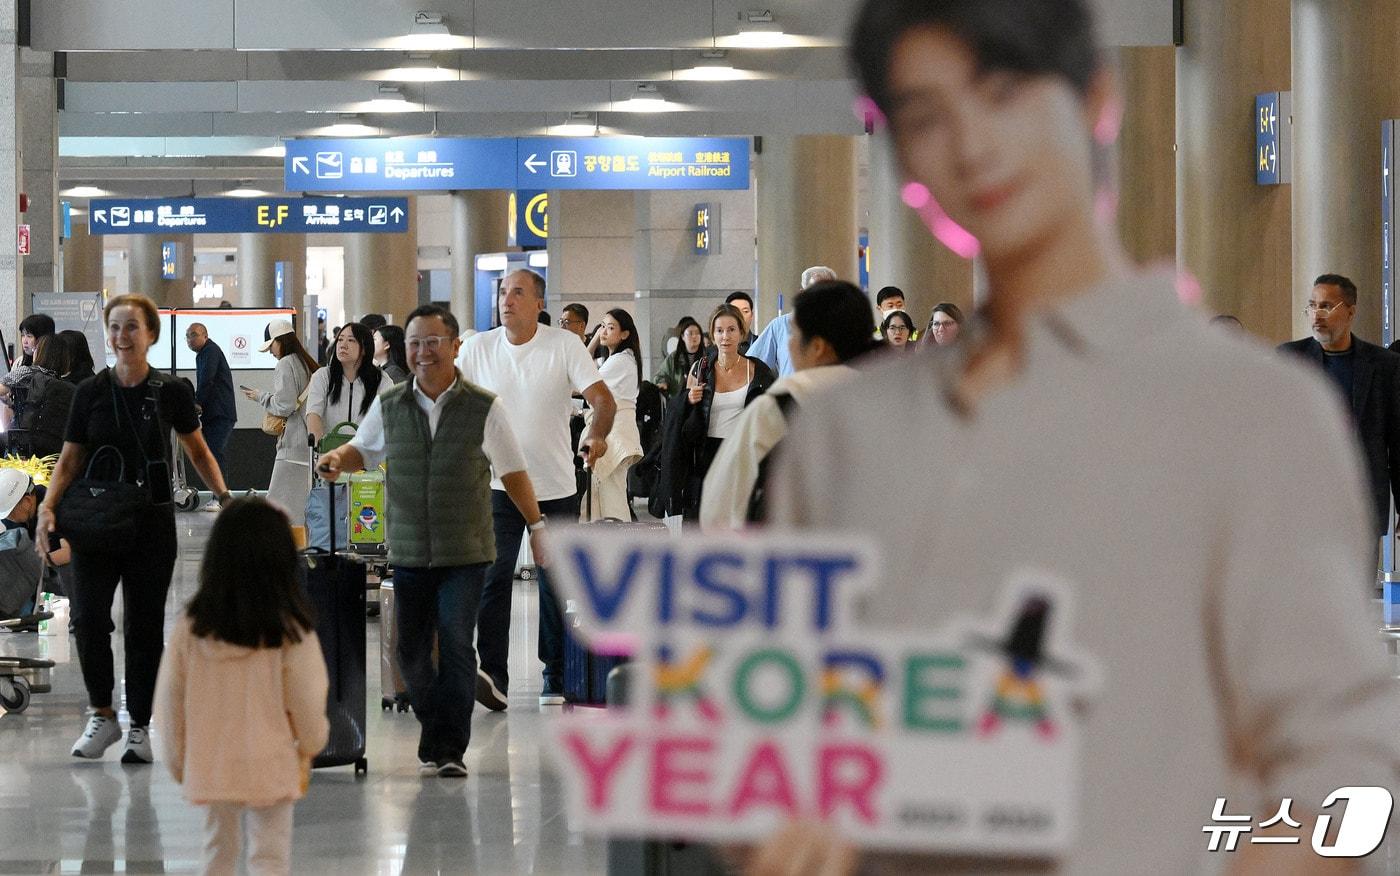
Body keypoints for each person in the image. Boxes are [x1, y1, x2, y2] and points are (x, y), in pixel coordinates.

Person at [756, 1, 1400, 872]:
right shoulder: (847, 436)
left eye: (1004, 91)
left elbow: (1342, 769)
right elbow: (802, 720)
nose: (972, 143)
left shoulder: (1253, 412)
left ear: (1095, 97)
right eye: (924, 116)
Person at [320, 304, 547, 775]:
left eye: (432, 342)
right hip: (408, 549)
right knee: (411, 652)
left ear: (454, 347)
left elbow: (514, 472)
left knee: (458, 643)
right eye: (414, 344)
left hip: (465, 549)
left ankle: (449, 750)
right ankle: (436, 726)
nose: (422, 353)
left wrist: (538, 527)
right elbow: (364, 449)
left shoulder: (484, 407)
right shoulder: (391, 404)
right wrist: (339, 457)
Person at [36, 294, 232, 765]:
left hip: (149, 523)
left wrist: (225, 499)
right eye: (116, 327)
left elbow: (198, 450)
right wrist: (48, 507)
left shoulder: (170, 392)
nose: (122, 336)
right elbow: (70, 458)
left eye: (132, 327)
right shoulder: (91, 393)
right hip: (95, 521)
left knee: (143, 626)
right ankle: (102, 713)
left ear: (150, 335)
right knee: (88, 619)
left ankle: (139, 726)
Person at [456, 269, 616, 708]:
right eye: (503, 292)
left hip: (555, 483)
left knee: (556, 584)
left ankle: (558, 674)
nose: (507, 300)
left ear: (539, 303)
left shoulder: (563, 345)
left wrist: (597, 434)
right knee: (493, 576)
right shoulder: (477, 348)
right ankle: (493, 675)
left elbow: (603, 399)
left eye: (518, 293)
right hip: (496, 484)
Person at [153, 498, 329, 875]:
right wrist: (312, 744)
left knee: (217, 852)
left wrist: (177, 760)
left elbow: (170, 700)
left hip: (211, 762)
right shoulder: (291, 629)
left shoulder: (192, 626)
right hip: (273, 763)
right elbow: (309, 699)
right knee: (270, 857)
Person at [700, 280, 876, 530]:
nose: (790, 344)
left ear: (817, 348)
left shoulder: (776, 408)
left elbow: (720, 506)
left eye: (794, 335)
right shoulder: (888, 405)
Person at [1279, 273, 1400, 541]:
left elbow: (1397, 443)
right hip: (1301, 505)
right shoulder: (1289, 359)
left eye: (1326, 306)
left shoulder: (1385, 366)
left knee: (1356, 583)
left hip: (1360, 506)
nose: (1316, 314)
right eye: (1312, 305)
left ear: (1350, 311)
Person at [653, 304, 775, 522]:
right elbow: (678, 412)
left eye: (731, 330)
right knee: (705, 524)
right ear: (712, 333)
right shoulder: (701, 368)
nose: (725, 336)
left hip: (742, 454)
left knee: (740, 522)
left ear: (741, 333)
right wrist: (688, 399)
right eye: (719, 330)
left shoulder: (758, 370)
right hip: (704, 456)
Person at [243, 319, 318, 526]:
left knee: (276, 503)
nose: (270, 352)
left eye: (271, 346)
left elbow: (284, 405)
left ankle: (274, 547)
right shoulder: (305, 362)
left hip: (293, 446)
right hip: (308, 444)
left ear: (280, 340)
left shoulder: (285, 364)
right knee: (301, 504)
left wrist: (261, 396)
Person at [582, 309, 645, 520]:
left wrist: (590, 344)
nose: (604, 332)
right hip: (613, 433)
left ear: (625, 334)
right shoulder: (615, 360)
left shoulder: (621, 361)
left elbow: (581, 381)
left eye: (610, 327)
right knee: (604, 494)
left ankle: (618, 544)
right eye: (602, 326)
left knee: (612, 497)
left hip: (615, 433)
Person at [305, 322, 387, 449]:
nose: (343, 345)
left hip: (367, 457)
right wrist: (320, 447)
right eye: (340, 339)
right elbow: (313, 415)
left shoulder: (380, 379)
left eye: (351, 340)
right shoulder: (323, 376)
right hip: (330, 455)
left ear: (364, 348)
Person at [748, 265, 838, 378]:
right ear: (802, 294)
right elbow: (752, 365)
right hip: (791, 394)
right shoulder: (780, 326)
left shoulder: (842, 327)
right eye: (814, 292)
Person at [185, 323, 237, 509]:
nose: (189, 340)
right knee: (213, 452)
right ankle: (219, 496)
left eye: (193, 335)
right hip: (214, 413)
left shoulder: (210, 351)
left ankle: (220, 497)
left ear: (205, 335)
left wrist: (198, 402)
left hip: (220, 412)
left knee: (215, 453)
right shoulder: (204, 353)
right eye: (187, 336)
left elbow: (207, 378)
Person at [0, 334, 73, 450]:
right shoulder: (65, 386)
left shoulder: (26, 372)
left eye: (36, 349)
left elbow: (1, 389)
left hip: (22, 444)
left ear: (40, 353)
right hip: (54, 449)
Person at [653, 316, 704, 398]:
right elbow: (660, 376)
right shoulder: (674, 357)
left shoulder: (706, 356)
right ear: (683, 336)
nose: (694, 336)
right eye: (690, 333)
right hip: (678, 402)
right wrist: (663, 383)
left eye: (697, 333)